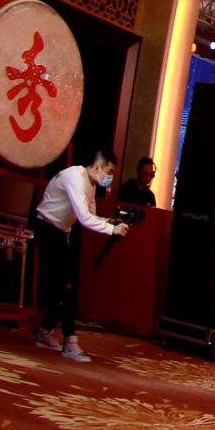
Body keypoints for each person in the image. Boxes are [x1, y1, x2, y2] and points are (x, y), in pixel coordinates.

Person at [32, 147, 128, 363]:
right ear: (97, 167)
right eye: (109, 172)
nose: (110, 178)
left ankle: (45, 331)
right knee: (65, 286)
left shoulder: (90, 184)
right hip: (47, 229)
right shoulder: (76, 178)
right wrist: (112, 229)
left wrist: (111, 222)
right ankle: (69, 341)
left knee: (65, 286)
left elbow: (92, 215)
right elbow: (84, 219)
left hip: (61, 233)